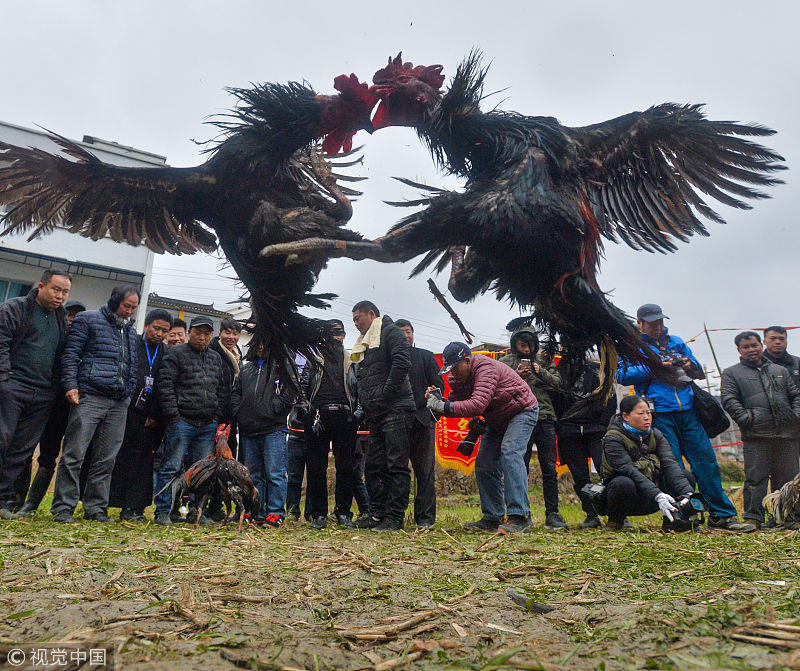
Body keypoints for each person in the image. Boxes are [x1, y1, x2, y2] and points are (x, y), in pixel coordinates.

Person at [616, 303, 755, 532]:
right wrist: (655, 366)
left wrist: (690, 364)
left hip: (689, 410)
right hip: (659, 414)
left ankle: (722, 515)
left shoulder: (677, 341)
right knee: (673, 467)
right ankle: (681, 518)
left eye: (660, 322)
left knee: (707, 462)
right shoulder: (633, 347)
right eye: (652, 323)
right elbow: (621, 374)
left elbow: (698, 368)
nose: (658, 327)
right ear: (640, 324)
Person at [426, 343, 539, 534]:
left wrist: (443, 407)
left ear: (467, 360)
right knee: (485, 463)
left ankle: (521, 516)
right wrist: (439, 401)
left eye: (455, 367)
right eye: (449, 369)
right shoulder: (458, 377)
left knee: (510, 452)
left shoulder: (486, 369)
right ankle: (493, 517)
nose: (452, 373)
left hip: (522, 411)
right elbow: (456, 405)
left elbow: (476, 405)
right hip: (496, 418)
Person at [50, 285, 140, 523]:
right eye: (126, 306)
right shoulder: (88, 320)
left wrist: (128, 392)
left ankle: (96, 508)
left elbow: (132, 365)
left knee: (106, 458)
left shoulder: (130, 331)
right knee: (74, 453)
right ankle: (63, 507)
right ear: (114, 301)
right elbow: (70, 355)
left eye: (134, 308)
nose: (130, 311)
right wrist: (71, 385)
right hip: (89, 396)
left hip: (119, 402)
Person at [0, 269, 72, 517]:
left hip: (42, 394)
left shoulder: (61, 317)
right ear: (41, 286)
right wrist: (4, 378)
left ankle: (3, 499)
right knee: (2, 438)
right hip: (13, 386)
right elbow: (2, 340)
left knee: (21, 450)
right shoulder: (16, 307)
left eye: (65, 292)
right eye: (56, 289)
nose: (60, 296)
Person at [10, 299, 86, 518]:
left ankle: (31, 504)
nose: (72, 320)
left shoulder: (83, 343)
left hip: (62, 406)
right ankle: (15, 499)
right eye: (69, 315)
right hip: (38, 397)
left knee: (49, 455)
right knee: (23, 449)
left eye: (76, 317)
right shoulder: (51, 335)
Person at [153, 315, 229, 525]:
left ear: (211, 336)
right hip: (182, 421)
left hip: (207, 424)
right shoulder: (175, 354)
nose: (202, 337)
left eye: (206, 333)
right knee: (171, 466)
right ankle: (162, 511)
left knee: (201, 471)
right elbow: (165, 386)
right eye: (198, 333)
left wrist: (216, 416)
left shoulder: (216, 358)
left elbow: (222, 390)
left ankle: (197, 513)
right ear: (189, 333)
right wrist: (173, 416)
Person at [721, 331, 800, 528]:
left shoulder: (779, 370)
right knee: (756, 478)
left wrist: (795, 416)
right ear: (739, 349)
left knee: (788, 478)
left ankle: (787, 518)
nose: (751, 350)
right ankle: (753, 518)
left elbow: (795, 395)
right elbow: (729, 400)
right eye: (746, 347)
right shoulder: (732, 373)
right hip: (756, 434)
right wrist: (747, 419)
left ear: (761, 345)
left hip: (786, 434)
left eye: (754, 345)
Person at [351, 301, 415, 531]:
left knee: (396, 463)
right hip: (375, 412)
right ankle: (377, 513)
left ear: (372, 314)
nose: (356, 324)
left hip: (396, 407)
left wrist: (385, 395)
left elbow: (402, 363)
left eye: (359, 318)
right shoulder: (365, 343)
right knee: (374, 464)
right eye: (354, 320)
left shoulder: (390, 332)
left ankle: (395, 517)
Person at [498, 325, 567, 530]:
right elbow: (497, 386)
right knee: (519, 466)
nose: (527, 349)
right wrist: (517, 376)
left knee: (549, 468)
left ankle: (552, 514)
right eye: (522, 345)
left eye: (531, 345)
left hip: (545, 417)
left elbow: (559, 384)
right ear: (514, 344)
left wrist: (541, 372)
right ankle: (520, 513)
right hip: (518, 418)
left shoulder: (544, 360)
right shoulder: (505, 363)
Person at [107, 308, 172, 521]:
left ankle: (134, 507)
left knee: (143, 462)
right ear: (146, 326)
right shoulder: (131, 344)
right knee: (117, 456)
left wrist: (155, 413)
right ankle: (106, 503)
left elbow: (166, 385)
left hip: (151, 417)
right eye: (156, 328)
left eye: (164, 331)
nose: (159, 334)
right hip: (125, 409)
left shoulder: (167, 353)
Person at [600, 395, 696, 530]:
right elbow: (629, 470)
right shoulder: (613, 438)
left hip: (655, 490)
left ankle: (674, 520)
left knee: (686, 476)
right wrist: (657, 495)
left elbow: (670, 463)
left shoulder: (656, 434)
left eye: (648, 413)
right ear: (626, 416)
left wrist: (688, 494)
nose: (647, 417)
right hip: (629, 495)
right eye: (641, 413)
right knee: (622, 483)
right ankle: (616, 520)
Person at [301, 319, 362, 529]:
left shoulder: (352, 360)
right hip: (318, 416)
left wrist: (357, 413)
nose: (335, 336)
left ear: (344, 335)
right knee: (317, 467)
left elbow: (359, 390)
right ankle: (319, 514)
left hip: (346, 417)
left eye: (338, 332)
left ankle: (343, 512)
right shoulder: (313, 358)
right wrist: (305, 411)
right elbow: (302, 388)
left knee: (346, 467)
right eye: (330, 332)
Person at [231, 347, 292, 527]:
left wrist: (272, 410)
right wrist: (239, 413)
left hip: (273, 429)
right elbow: (236, 393)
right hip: (249, 430)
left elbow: (289, 394)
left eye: (265, 343)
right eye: (258, 342)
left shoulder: (282, 366)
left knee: (275, 473)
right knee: (253, 475)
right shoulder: (246, 368)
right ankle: (258, 511)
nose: (261, 347)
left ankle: (276, 512)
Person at [555, 357, 616, 529]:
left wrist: (604, 425)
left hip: (596, 429)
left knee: (608, 472)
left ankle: (617, 514)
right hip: (569, 431)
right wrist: (560, 426)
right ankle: (591, 514)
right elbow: (554, 398)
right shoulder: (558, 370)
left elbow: (610, 396)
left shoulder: (597, 368)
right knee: (580, 477)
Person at [395, 319, 443, 529]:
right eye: (401, 332)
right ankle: (395, 517)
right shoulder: (389, 358)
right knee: (396, 470)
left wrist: (431, 408)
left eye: (409, 332)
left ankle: (425, 520)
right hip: (396, 422)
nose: (406, 335)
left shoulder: (425, 356)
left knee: (425, 472)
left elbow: (439, 387)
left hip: (423, 421)